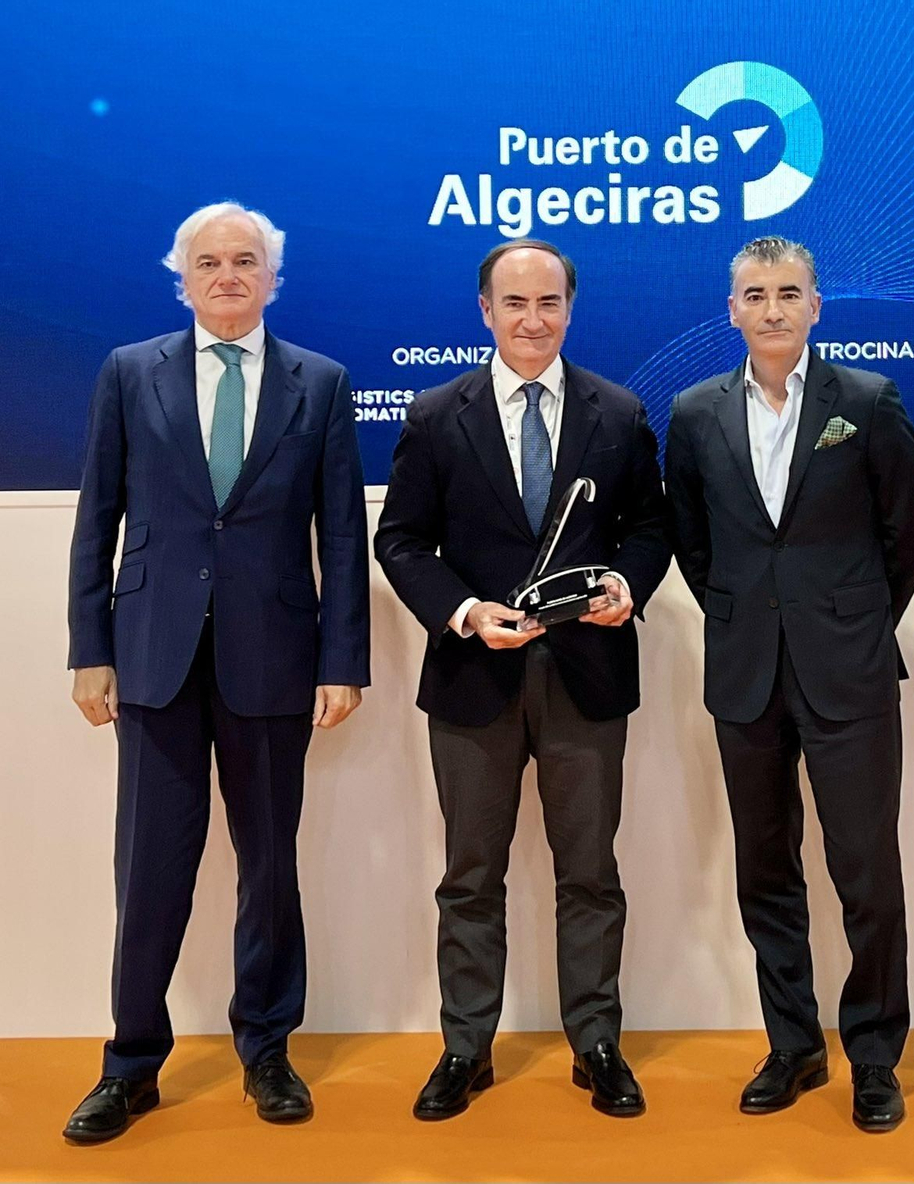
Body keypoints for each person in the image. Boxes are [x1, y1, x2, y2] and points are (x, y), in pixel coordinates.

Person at [62, 202, 370, 1142]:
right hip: (153, 657)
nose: (227, 275)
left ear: (273, 278)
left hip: (274, 658)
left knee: (269, 867)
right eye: (209, 262)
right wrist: (89, 647)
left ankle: (266, 1051)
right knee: (150, 869)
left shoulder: (319, 382)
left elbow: (342, 539)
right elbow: (97, 517)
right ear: (182, 276)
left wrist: (342, 660)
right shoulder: (129, 371)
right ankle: (130, 1064)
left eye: (246, 261)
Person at [374, 239, 669, 1120]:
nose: (533, 321)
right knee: (470, 876)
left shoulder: (617, 412)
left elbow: (650, 530)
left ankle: (598, 1044)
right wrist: (464, 612)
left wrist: (625, 585)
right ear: (485, 312)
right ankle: (466, 1046)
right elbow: (400, 542)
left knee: (591, 873)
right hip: (473, 679)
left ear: (569, 310)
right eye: (515, 304)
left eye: (548, 304)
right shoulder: (435, 415)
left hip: (587, 676)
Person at [664, 236, 914, 1132]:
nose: (772, 308)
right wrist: (748, 617)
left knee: (866, 869)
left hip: (848, 673)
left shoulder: (866, 401)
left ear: (817, 305)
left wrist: (851, 622)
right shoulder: (696, 413)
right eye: (754, 293)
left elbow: (909, 533)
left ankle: (875, 1055)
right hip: (746, 679)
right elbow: (694, 546)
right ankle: (792, 1044)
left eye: (789, 292)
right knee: (764, 869)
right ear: (731, 309)